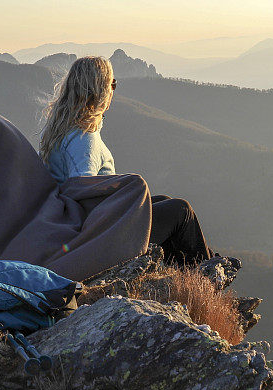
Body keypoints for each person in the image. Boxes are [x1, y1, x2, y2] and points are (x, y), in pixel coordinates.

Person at [37, 56, 215, 268]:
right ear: (101, 90)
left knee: (160, 201)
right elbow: (83, 196)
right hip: (100, 238)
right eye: (113, 84)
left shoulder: (63, 130)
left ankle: (185, 273)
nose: (114, 90)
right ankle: (208, 272)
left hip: (80, 227)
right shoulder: (83, 139)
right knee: (181, 211)